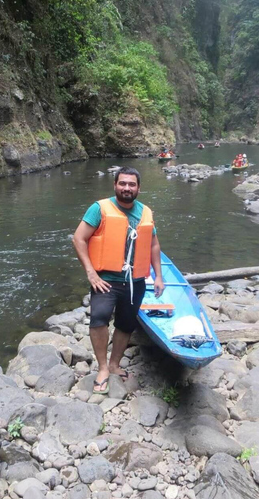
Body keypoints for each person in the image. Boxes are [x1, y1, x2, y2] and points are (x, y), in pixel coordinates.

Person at [72, 167, 165, 394]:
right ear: (115, 185)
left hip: (135, 281)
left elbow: (153, 245)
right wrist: (91, 273)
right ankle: (103, 368)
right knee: (99, 319)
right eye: (122, 183)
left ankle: (114, 365)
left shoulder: (145, 212)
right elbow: (78, 238)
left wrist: (159, 276)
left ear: (138, 188)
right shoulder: (99, 209)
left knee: (126, 324)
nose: (127, 188)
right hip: (106, 279)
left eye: (131, 184)